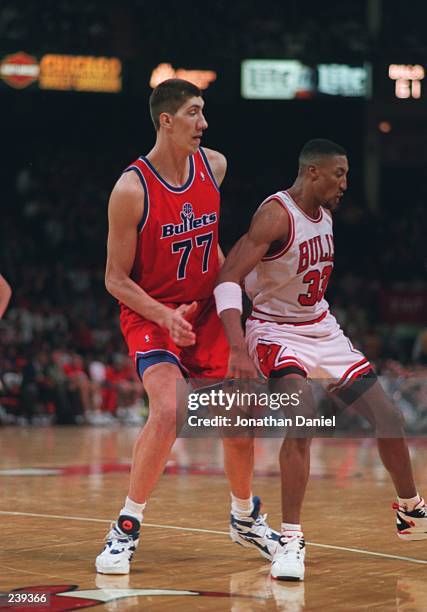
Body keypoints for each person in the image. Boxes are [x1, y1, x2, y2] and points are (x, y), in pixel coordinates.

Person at [213, 139, 427, 581]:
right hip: (275, 330)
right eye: (339, 174)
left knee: (389, 418)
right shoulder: (275, 214)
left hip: (321, 328)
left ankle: (412, 511)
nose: (345, 183)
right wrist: (236, 345)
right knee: (302, 417)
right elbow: (228, 276)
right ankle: (290, 539)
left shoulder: (325, 213)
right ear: (312, 172)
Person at [95, 79, 278, 575]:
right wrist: (163, 315)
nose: (204, 123)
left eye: (204, 112)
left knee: (243, 412)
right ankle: (126, 527)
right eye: (195, 113)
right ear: (167, 121)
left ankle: (244, 517)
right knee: (171, 407)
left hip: (204, 308)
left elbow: (211, 247)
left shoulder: (213, 166)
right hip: (152, 312)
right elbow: (114, 278)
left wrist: (234, 297)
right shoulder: (131, 189)